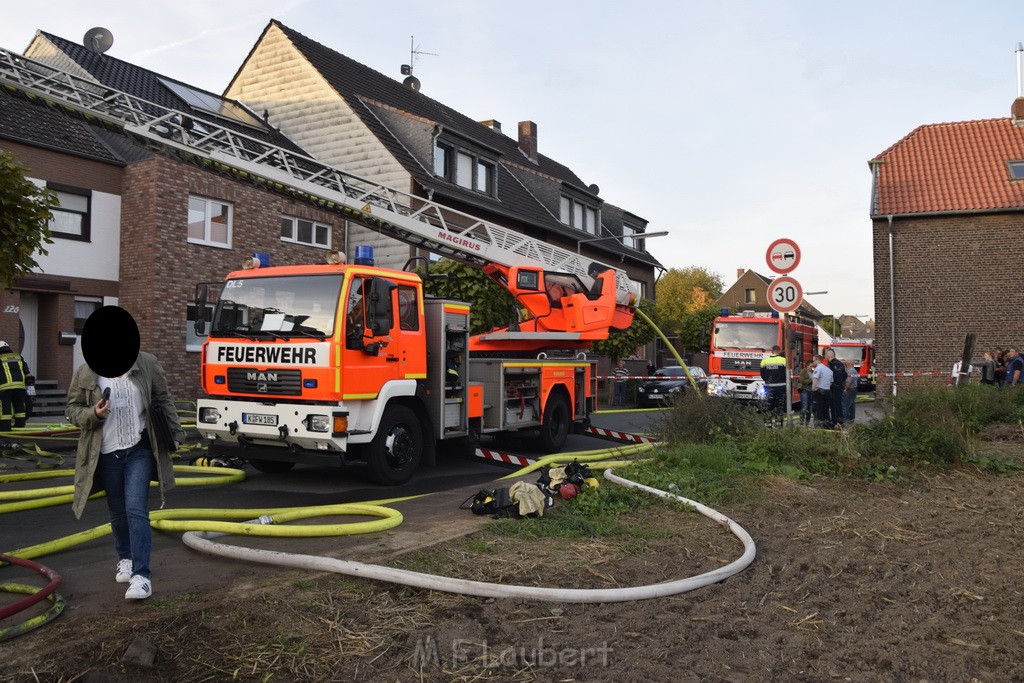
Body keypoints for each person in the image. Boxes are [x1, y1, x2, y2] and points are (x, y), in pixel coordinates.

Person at [65, 306, 184, 601]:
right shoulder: (86, 371)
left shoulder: (146, 364)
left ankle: (142, 576)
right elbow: (71, 410)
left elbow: (163, 399)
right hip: (105, 453)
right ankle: (126, 558)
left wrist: (176, 434)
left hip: (138, 449)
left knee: (135, 509)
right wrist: (94, 412)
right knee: (117, 512)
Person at [0, 341, 30, 431]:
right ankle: (20, 427)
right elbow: (27, 372)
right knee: (19, 407)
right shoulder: (18, 357)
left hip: (5, 388)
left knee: (5, 410)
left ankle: (5, 429)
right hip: (20, 387)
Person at [759, 345, 787, 423]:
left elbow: (762, 374)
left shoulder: (764, 361)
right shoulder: (783, 360)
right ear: (779, 351)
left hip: (768, 387)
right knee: (779, 406)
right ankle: (778, 423)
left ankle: (768, 423)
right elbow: (786, 373)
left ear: (772, 351)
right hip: (780, 387)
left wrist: (768, 381)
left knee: (768, 406)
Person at [810, 354, 834, 428]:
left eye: (813, 361)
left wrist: (813, 389)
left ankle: (820, 426)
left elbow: (815, 379)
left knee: (819, 410)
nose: (812, 363)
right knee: (826, 410)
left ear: (817, 360)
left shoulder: (818, 368)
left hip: (819, 392)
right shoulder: (828, 370)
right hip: (827, 391)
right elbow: (831, 382)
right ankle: (827, 425)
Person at [824, 349, 846, 426]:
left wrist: (831, 383)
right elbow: (845, 375)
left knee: (834, 406)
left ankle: (835, 423)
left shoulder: (832, 364)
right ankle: (840, 420)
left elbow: (834, 376)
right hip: (839, 387)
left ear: (827, 356)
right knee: (838, 405)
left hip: (834, 388)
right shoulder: (840, 363)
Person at [796, 360, 813, 426]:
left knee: (809, 408)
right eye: (810, 366)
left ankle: (807, 423)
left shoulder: (813, 372)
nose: (811, 368)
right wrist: (810, 380)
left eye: (812, 366)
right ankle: (801, 422)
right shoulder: (803, 371)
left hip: (811, 391)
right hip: (804, 390)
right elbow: (801, 380)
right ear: (807, 366)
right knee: (804, 407)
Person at [842, 359, 858, 423]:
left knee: (845, 405)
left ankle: (845, 419)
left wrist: (845, 389)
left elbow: (849, 382)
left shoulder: (850, 371)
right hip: (854, 389)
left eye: (845, 364)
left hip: (850, 389)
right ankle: (851, 418)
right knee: (852, 404)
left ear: (849, 364)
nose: (845, 365)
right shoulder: (854, 370)